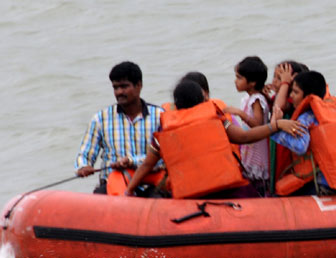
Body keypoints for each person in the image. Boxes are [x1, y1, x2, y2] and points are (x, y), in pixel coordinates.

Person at [125, 80, 307, 198]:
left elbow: (147, 165)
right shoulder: (216, 120)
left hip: (190, 197)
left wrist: (129, 190)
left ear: (176, 104)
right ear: (201, 100)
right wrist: (275, 126)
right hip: (227, 190)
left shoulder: (164, 129)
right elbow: (245, 137)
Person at [271, 71, 336, 196]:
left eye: (295, 92)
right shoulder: (333, 111)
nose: (291, 96)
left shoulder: (305, 118)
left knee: (278, 195)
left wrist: (276, 129)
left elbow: (300, 147)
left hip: (324, 184)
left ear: (308, 96)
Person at [75, 61, 163, 195]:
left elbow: (165, 158)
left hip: (149, 184)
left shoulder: (159, 116)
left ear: (139, 85)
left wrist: (131, 161)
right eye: (115, 88)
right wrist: (83, 166)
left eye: (124, 86)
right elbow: (85, 154)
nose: (119, 92)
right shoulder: (101, 119)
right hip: (112, 186)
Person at [227, 56, 272, 193]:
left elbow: (258, 124)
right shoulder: (248, 98)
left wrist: (241, 114)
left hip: (257, 147)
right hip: (249, 145)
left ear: (252, 83)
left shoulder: (256, 100)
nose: (236, 81)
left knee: (258, 180)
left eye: (239, 78)